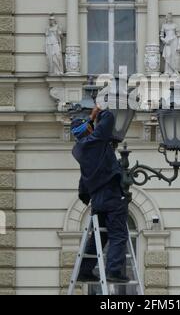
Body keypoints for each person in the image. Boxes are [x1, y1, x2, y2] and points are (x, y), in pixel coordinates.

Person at [71, 105, 129, 283]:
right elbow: (110, 118)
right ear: (89, 129)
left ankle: (85, 271)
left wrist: (86, 196)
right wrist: (98, 113)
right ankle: (114, 272)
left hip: (97, 198)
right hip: (111, 194)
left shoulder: (79, 149)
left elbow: (83, 180)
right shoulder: (95, 140)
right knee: (118, 234)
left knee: (100, 236)